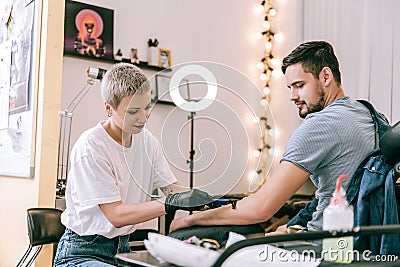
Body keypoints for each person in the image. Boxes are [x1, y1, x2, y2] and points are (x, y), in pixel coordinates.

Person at [170, 40, 378, 235]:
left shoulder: (320, 126)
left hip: (320, 247)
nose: (292, 96)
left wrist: (190, 220)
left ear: (325, 77)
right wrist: (292, 225)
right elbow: (335, 190)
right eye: (290, 88)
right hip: (363, 240)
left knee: (193, 237)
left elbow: (260, 208)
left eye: (299, 85)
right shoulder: (369, 115)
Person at [54, 63, 213, 266]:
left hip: (123, 248)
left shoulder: (147, 141)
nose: (143, 117)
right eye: (133, 112)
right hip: (83, 252)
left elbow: (171, 188)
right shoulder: (91, 148)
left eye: (147, 107)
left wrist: (204, 197)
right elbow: (116, 215)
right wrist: (169, 202)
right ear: (108, 108)